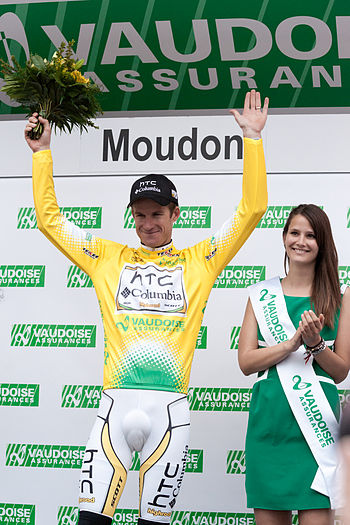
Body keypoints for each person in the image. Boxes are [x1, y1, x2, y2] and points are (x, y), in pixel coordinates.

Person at [25, 89, 268, 525]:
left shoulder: (202, 260)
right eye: (139, 215)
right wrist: (42, 153)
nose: (147, 223)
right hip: (113, 410)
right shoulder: (107, 257)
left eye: (156, 213)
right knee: (90, 522)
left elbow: (252, 210)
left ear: (175, 213)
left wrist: (252, 140)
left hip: (169, 414)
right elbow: (49, 220)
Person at [238, 204, 350, 525]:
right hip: (269, 423)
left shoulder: (342, 296)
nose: (301, 241)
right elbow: (246, 362)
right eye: (295, 233)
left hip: (316, 429)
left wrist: (315, 345)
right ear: (284, 237)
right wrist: (289, 345)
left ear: (322, 242)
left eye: (311, 235)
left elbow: (341, 370)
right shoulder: (261, 295)